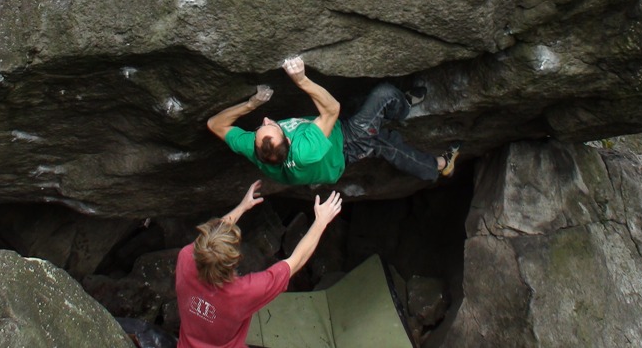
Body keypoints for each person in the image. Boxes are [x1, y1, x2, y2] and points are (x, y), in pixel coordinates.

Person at [206, 56, 459, 185]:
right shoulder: (305, 150)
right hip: (345, 143)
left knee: (380, 139)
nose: (265, 119)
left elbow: (214, 125)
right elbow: (331, 110)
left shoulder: (257, 147)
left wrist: (251, 104)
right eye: (271, 126)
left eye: (262, 128)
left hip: (330, 153)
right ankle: (404, 112)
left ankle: (435, 166)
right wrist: (301, 80)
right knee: (383, 98)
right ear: (288, 139)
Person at [175, 180, 342, 348]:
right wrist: (321, 221)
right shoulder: (244, 293)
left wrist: (243, 206)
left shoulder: (185, 258)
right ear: (234, 261)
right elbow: (296, 261)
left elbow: (210, 239)